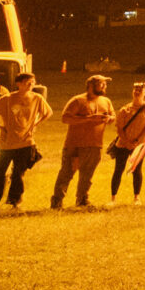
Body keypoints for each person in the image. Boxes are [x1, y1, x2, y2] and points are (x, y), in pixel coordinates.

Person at [0, 70, 53, 211]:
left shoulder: (37, 98)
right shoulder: (7, 99)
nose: (30, 85)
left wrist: (35, 123)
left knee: (18, 174)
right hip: (6, 144)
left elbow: (48, 112)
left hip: (26, 142)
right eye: (27, 82)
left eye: (32, 82)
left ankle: (15, 203)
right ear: (18, 84)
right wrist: (1, 127)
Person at [52, 74, 114, 209]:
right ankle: (57, 201)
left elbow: (112, 116)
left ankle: (82, 199)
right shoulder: (78, 101)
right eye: (101, 84)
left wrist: (109, 118)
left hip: (95, 144)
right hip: (75, 145)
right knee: (67, 173)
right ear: (91, 85)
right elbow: (65, 118)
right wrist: (89, 119)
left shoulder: (105, 101)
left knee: (87, 174)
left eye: (105, 84)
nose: (104, 86)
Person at [109, 80, 145, 201]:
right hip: (122, 144)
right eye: (135, 90)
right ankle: (113, 198)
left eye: (140, 90)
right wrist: (127, 142)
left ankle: (137, 197)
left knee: (137, 170)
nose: (136, 92)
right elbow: (119, 128)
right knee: (118, 170)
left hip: (138, 145)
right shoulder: (125, 109)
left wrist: (138, 142)